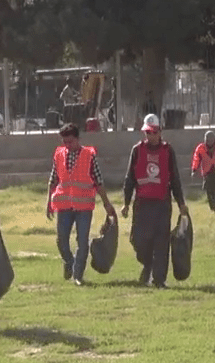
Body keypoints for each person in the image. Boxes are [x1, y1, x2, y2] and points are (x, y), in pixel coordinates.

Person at [121, 114, 188, 289]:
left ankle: (159, 279)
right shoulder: (137, 150)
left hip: (162, 204)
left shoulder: (168, 151)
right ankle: (147, 263)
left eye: (153, 132)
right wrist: (126, 203)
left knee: (161, 242)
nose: (150, 136)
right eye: (147, 132)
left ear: (160, 131)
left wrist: (181, 203)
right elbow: (129, 178)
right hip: (142, 204)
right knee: (139, 240)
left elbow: (175, 178)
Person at [46, 123, 117, 286]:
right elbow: (53, 180)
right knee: (61, 239)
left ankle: (78, 275)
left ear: (77, 139)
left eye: (70, 141)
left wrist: (107, 203)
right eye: (64, 142)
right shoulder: (59, 155)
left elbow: (98, 181)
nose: (67, 145)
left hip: (83, 207)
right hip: (64, 205)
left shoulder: (88, 156)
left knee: (82, 241)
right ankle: (68, 261)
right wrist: (48, 203)